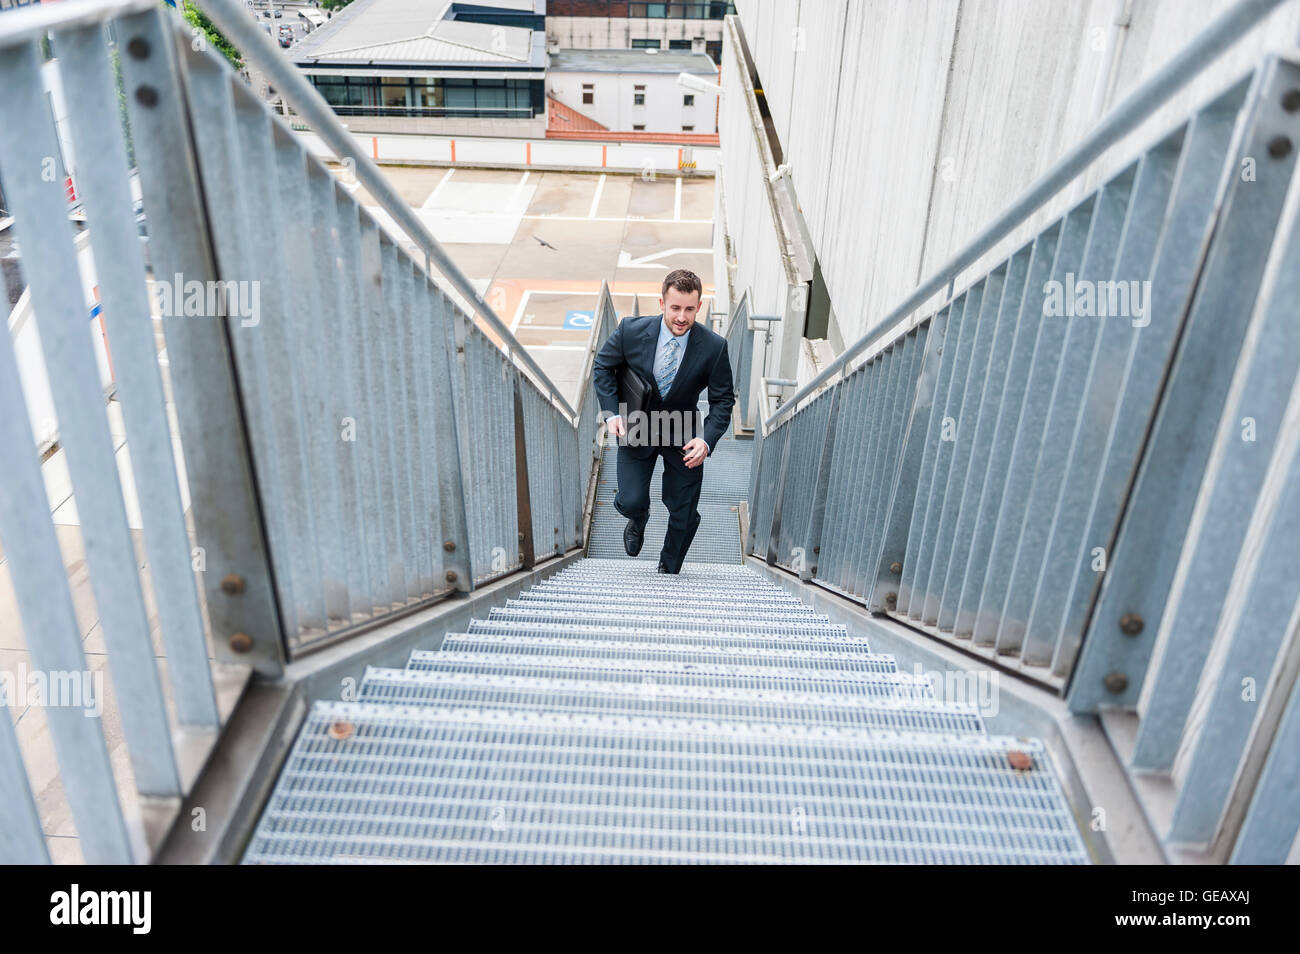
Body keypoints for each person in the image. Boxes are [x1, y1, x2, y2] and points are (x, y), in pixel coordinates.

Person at [591, 268, 735, 573]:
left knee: (683, 512)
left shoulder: (713, 347)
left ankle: (668, 569)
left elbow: (723, 400)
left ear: (698, 307)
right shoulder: (631, 330)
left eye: (689, 309)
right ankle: (638, 518)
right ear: (661, 303)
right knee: (630, 500)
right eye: (675, 308)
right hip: (637, 425)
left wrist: (707, 440)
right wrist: (612, 413)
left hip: (682, 430)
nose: (682, 317)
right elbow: (603, 366)